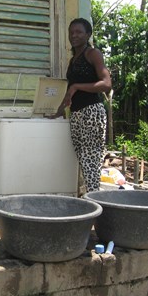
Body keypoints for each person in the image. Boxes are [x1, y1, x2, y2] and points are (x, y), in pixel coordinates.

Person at [49, 18, 112, 192]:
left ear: (88, 34)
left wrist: (78, 86)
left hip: (92, 112)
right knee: (82, 158)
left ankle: (96, 202)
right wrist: (58, 111)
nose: (74, 35)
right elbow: (70, 91)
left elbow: (106, 84)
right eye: (71, 32)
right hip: (77, 114)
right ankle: (93, 199)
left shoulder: (93, 54)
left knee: (90, 159)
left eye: (78, 32)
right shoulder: (73, 60)